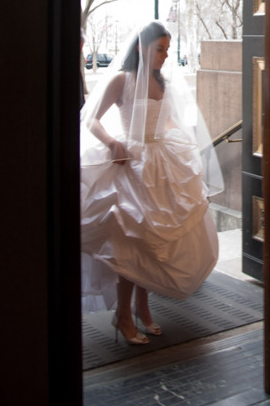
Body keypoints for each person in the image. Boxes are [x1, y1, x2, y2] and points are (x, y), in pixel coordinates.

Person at [80, 21, 221, 346]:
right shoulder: (122, 80)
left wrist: (182, 148)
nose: (164, 55)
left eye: (167, 50)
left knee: (153, 242)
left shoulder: (164, 84)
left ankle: (142, 309)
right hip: (130, 163)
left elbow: (168, 119)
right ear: (142, 47)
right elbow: (91, 119)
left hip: (159, 164)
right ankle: (124, 316)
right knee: (132, 240)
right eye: (160, 48)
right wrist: (113, 143)